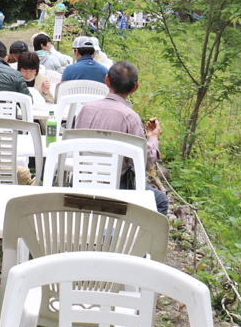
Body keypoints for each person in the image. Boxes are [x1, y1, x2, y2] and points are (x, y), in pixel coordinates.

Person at [72, 61, 169, 215]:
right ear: (135, 87)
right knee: (160, 201)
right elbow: (144, 161)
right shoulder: (130, 117)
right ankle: (132, 237)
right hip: (116, 186)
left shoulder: (86, 109)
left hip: (81, 180)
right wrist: (153, 137)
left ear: (107, 80)